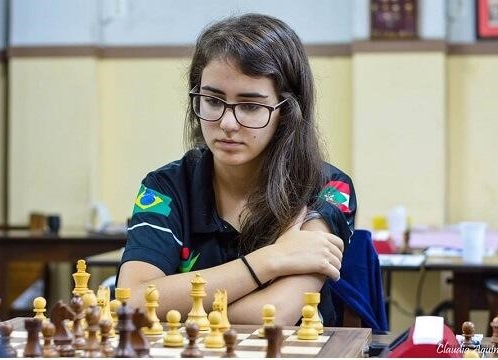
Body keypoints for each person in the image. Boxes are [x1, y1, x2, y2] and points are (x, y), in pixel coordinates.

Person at [117, 13, 357, 326]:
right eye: (212, 101)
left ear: (286, 112)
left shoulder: (328, 188)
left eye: (251, 106)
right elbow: (131, 302)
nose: (227, 124)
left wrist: (176, 309)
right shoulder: (165, 187)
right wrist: (272, 259)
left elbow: (274, 315)